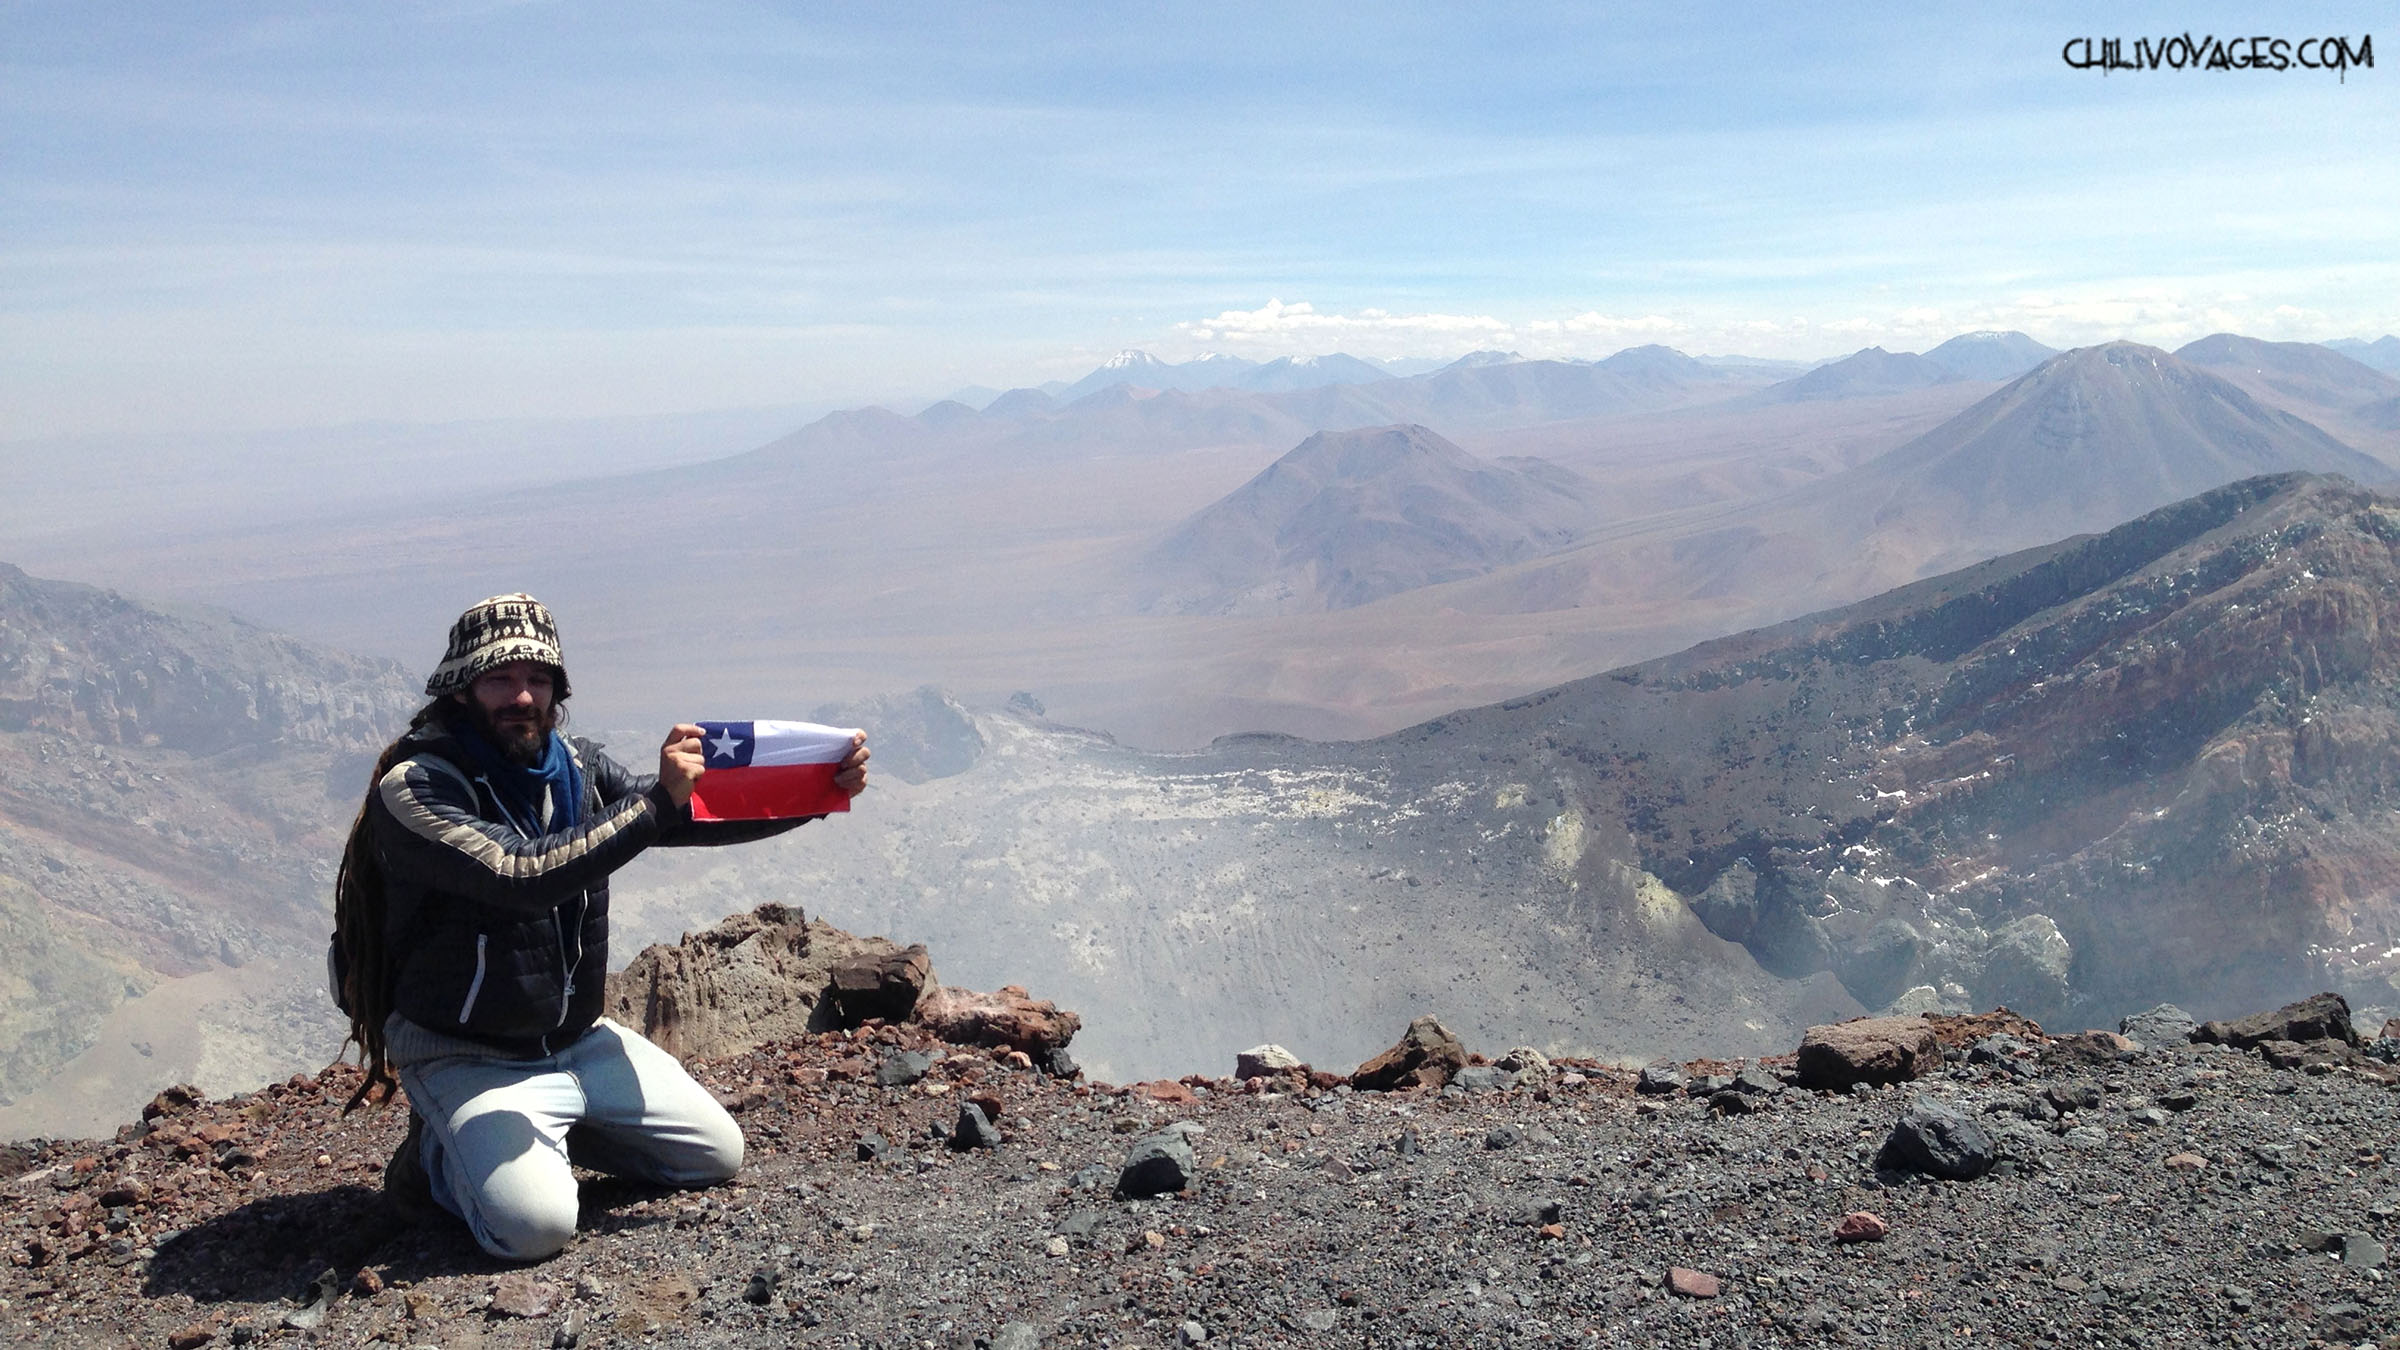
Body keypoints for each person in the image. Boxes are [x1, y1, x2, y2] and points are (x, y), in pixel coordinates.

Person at [328, 593, 867, 1261]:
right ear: (461, 688)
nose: (521, 696)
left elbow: (682, 812)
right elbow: (520, 874)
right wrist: (653, 805)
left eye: (538, 679)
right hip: (469, 1052)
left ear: (557, 691)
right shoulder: (416, 789)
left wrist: (815, 791)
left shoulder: (573, 766)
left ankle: (542, 1135)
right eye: (499, 678)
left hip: (576, 1041)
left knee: (714, 1156)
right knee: (535, 1229)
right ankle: (440, 1159)